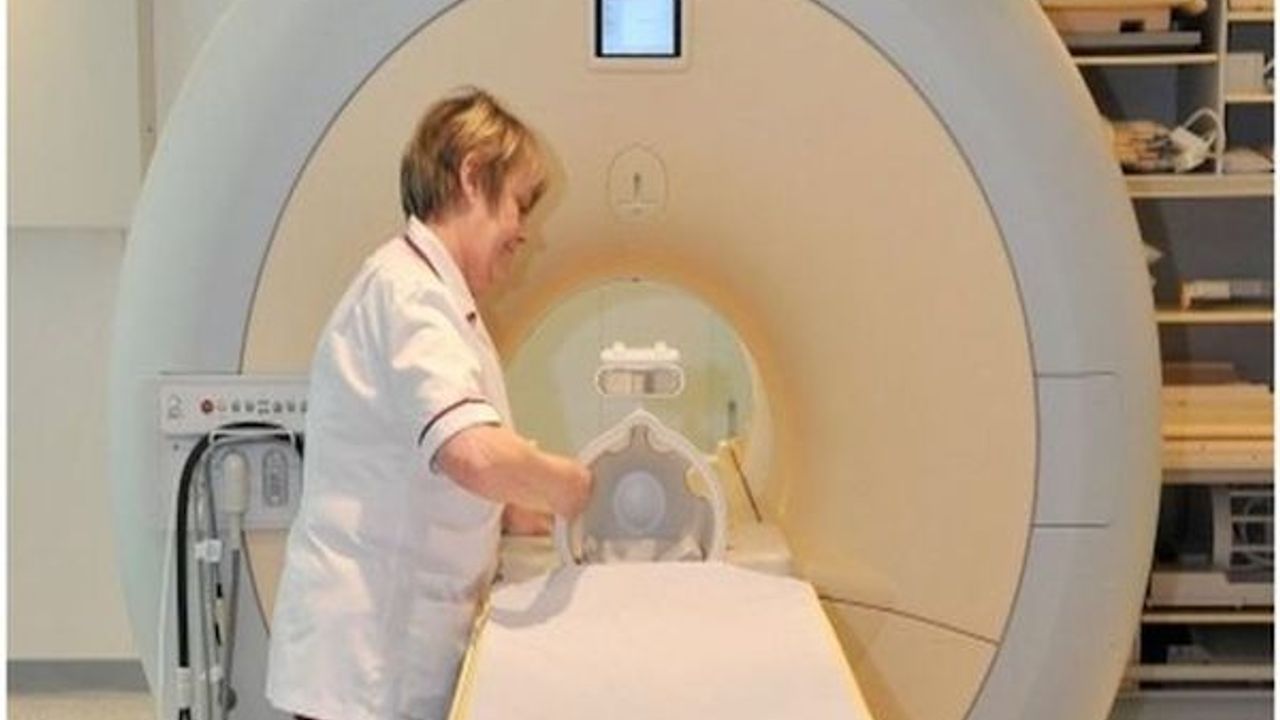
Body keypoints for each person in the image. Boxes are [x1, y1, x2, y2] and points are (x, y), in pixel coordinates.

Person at [266, 88, 593, 720]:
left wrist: (510, 512)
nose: (523, 231)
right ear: (473, 176)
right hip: (367, 662)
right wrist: (569, 485)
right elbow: (471, 454)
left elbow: (420, 461)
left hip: (392, 649)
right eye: (520, 203)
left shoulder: (434, 297)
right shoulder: (409, 295)